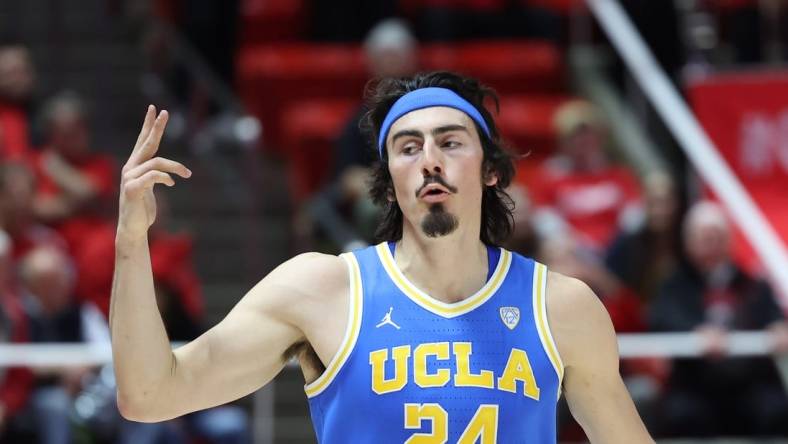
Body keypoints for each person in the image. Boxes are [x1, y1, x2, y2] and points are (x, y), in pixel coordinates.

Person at [112, 72, 653, 442]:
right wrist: (132, 246)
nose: (430, 161)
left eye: (451, 142)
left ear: (491, 171)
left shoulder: (562, 307)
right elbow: (149, 395)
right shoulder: (320, 290)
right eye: (409, 147)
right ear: (389, 183)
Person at [649, 201, 788, 437]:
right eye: (704, 238)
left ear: (728, 240)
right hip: (695, 383)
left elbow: (772, 318)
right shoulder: (673, 285)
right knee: (681, 414)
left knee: (775, 409)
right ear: (688, 242)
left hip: (749, 383)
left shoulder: (752, 283)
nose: (711, 245)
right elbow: (660, 319)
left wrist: (778, 327)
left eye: (716, 237)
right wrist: (695, 332)